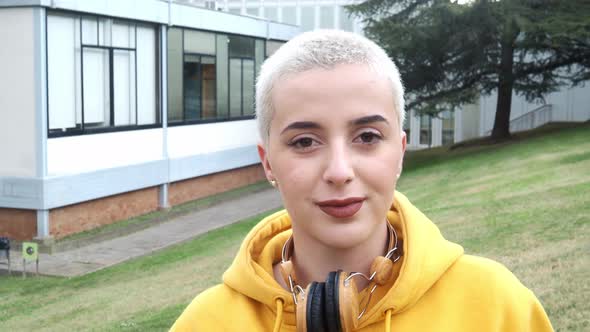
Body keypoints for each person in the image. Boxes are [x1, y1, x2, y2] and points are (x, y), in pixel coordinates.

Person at [170, 30, 553, 332]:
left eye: (367, 137)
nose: (339, 171)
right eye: (305, 141)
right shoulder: (204, 323)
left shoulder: (496, 307)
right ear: (268, 163)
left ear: (400, 151)